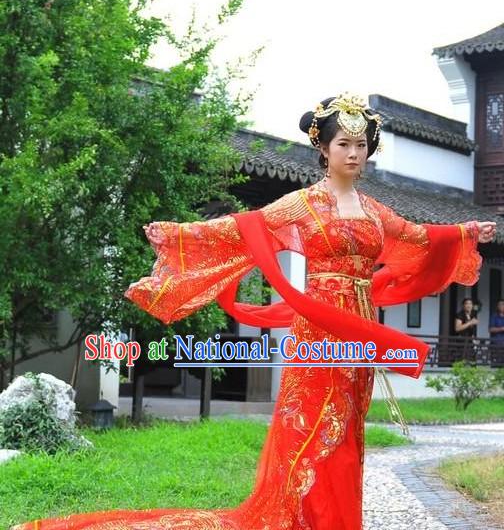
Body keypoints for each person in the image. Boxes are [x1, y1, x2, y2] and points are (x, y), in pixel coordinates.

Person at [13, 93, 496, 530]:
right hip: (320, 329)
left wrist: (466, 231)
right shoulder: (302, 205)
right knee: (312, 425)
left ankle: (335, 518)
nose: (354, 152)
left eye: (362, 144)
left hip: (360, 330)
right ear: (323, 150)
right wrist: (181, 238)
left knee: (347, 427)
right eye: (344, 143)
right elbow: (243, 228)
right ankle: (297, 516)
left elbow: (416, 236)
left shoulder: (374, 211)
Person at [453, 298, 479, 363]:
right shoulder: (460, 315)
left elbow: (472, 330)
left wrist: (474, 339)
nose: (468, 305)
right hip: (461, 341)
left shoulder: (473, 315)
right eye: (466, 303)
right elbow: (457, 328)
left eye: (470, 304)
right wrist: (470, 323)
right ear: (463, 305)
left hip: (470, 341)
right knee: (461, 360)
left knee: (472, 360)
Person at [489, 299, 504, 366]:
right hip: (496, 343)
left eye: (503, 304)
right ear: (497, 306)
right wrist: (502, 328)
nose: (501, 306)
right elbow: (490, 329)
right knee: (497, 364)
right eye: (500, 305)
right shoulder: (494, 316)